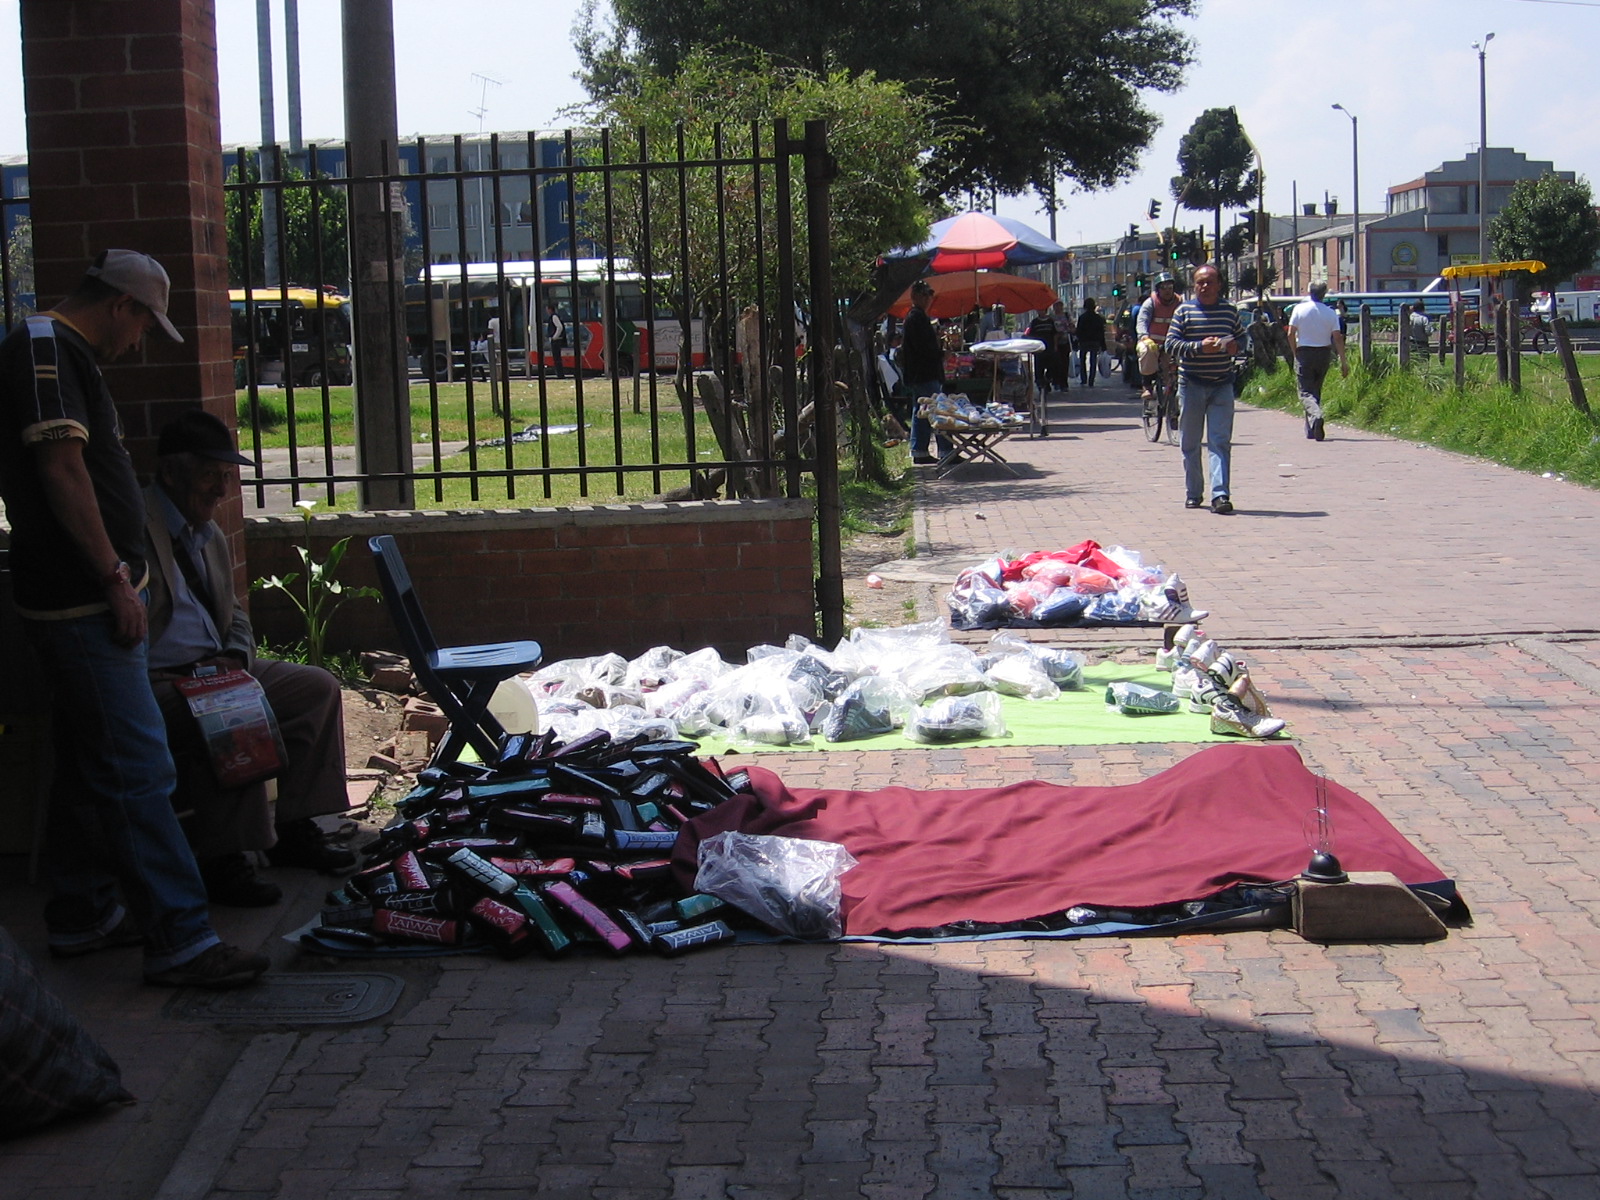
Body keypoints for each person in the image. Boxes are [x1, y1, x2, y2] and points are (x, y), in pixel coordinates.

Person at [0, 249, 268, 988]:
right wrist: (115, 577)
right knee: (139, 769)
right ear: (122, 304)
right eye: (146, 323)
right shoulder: (48, 349)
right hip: (84, 602)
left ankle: (83, 912)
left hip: (85, 600)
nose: (141, 341)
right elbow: (62, 469)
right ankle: (182, 938)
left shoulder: (62, 354)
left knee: (90, 765)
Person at [144, 410, 355, 907]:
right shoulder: (135, 529)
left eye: (226, 475)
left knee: (316, 688)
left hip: (216, 664)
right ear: (171, 472)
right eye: (209, 476)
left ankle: (295, 827)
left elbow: (234, 613)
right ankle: (226, 857)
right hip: (159, 679)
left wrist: (236, 657)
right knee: (231, 709)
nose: (221, 489)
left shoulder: (207, 534)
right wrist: (215, 680)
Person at [1166, 263, 1247, 514]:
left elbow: (1243, 338)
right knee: (1190, 442)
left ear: (1219, 284)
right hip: (1191, 383)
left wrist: (1235, 346)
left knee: (1219, 441)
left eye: (1209, 282)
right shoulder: (1184, 311)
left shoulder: (1229, 311)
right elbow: (1171, 344)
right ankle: (1193, 492)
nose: (1204, 286)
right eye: (1199, 282)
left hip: (1222, 384)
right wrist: (1199, 346)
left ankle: (1220, 495)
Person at [1287, 282, 1348, 442]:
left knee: (1305, 392)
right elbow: (1337, 337)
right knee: (1315, 390)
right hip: (1323, 353)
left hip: (1304, 352)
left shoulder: (1299, 309)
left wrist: (1294, 352)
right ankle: (1311, 429)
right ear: (1324, 294)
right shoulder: (1330, 313)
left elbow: (1290, 333)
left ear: (1309, 292)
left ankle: (1316, 416)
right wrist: (1343, 361)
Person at [902, 280, 951, 465]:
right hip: (924, 373)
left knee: (922, 412)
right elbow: (924, 349)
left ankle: (919, 450)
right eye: (924, 295)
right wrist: (941, 354)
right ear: (915, 297)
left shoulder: (919, 317)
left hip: (922, 373)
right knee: (936, 410)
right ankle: (946, 451)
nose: (928, 299)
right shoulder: (916, 318)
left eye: (929, 295)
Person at [1136, 274, 1183, 398]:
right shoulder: (1150, 303)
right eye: (1163, 288)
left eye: (1170, 287)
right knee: (1146, 351)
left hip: (1173, 343)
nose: (1167, 291)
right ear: (1158, 290)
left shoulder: (1180, 303)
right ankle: (1147, 387)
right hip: (1152, 343)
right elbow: (1142, 321)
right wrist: (1144, 336)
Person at [1024, 305, 1062, 392]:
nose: (1040, 312)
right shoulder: (1035, 322)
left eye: (1042, 310)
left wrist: (1055, 345)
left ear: (1045, 310)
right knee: (1039, 367)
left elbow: (1055, 334)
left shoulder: (1050, 321)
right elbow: (1031, 334)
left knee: (1052, 366)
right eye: (1039, 310)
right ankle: (1041, 384)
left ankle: (1048, 380)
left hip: (1049, 347)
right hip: (1039, 349)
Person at [1075, 298, 1106, 387]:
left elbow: (1079, 331)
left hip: (1084, 341)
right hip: (1095, 341)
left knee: (1082, 360)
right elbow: (1101, 332)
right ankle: (1091, 380)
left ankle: (1083, 379)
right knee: (1093, 360)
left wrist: (1077, 341)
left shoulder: (1082, 317)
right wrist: (1103, 345)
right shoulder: (1098, 318)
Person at [545, 300, 568, 377]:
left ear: (550, 309)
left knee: (557, 358)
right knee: (556, 358)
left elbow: (559, 327)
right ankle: (559, 374)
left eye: (547, 309)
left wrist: (554, 337)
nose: (546, 311)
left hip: (556, 341)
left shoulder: (554, 317)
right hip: (556, 340)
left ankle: (560, 374)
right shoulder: (554, 316)